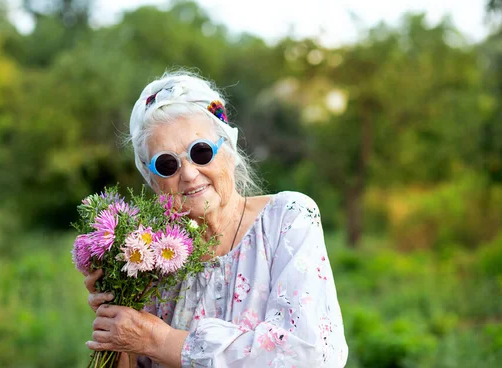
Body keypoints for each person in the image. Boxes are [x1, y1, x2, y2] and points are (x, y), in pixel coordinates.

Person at [83, 72, 348, 367]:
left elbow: (308, 355)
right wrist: (117, 311)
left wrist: (160, 340)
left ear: (229, 151)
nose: (188, 173)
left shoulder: (288, 218)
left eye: (201, 151)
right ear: (153, 180)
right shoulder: (145, 255)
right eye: (167, 163)